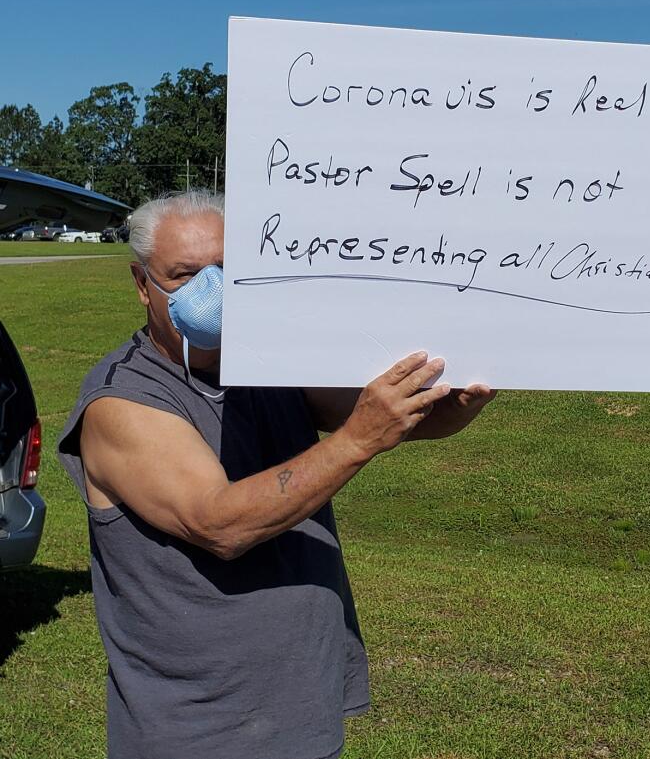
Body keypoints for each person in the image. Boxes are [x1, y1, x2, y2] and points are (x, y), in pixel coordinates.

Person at [57, 190, 495, 759]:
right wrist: (358, 438)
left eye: (225, 269)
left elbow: (391, 418)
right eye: (184, 274)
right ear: (143, 285)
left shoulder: (268, 361)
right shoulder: (122, 402)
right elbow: (218, 523)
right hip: (195, 726)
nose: (209, 288)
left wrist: (453, 403)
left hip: (298, 704)